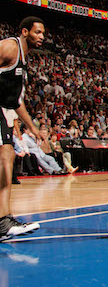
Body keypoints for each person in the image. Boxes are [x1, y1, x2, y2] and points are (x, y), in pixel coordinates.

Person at [0, 16, 45, 241]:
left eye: (43, 34)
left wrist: (33, 128)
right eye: (38, 32)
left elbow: (17, 102)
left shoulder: (24, 61)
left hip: (6, 110)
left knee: (7, 158)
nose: (42, 37)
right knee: (5, 157)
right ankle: (3, 222)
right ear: (25, 32)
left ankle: (4, 220)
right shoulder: (10, 46)